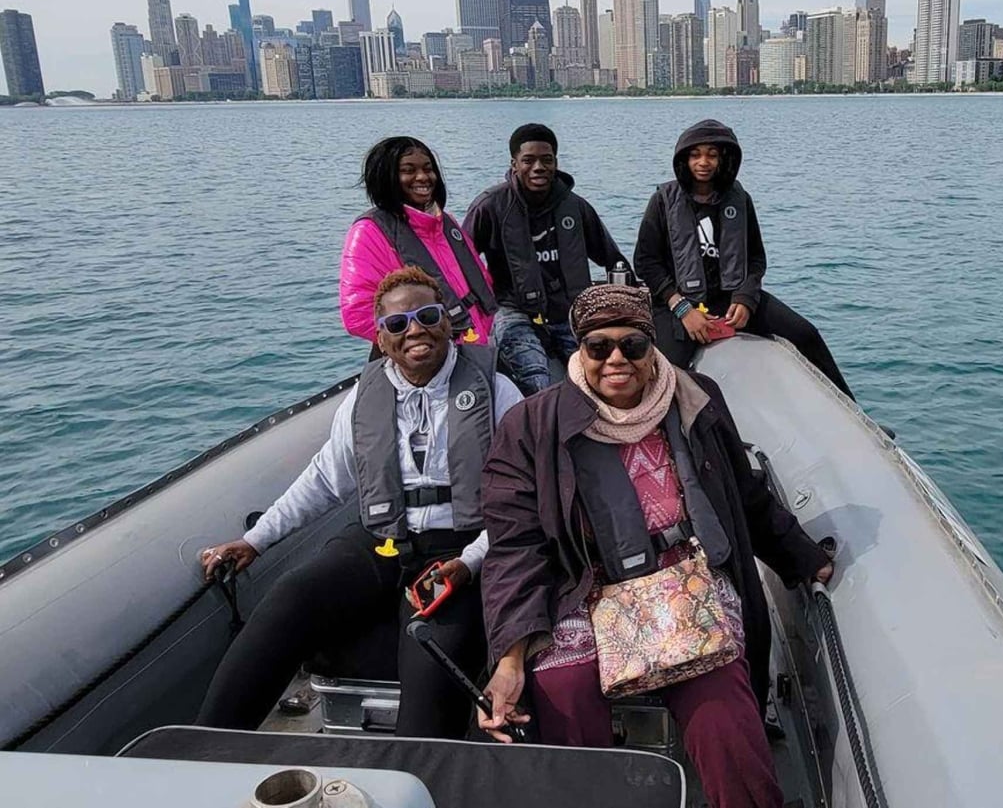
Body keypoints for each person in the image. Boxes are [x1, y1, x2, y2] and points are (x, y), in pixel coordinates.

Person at [477, 284, 833, 808]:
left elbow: (745, 494)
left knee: (725, 718)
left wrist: (805, 560)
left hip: (686, 577)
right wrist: (508, 658)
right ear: (580, 350)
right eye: (598, 347)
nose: (615, 359)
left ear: (652, 349)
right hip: (585, 588)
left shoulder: (695, 396)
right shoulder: (531, 425)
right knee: (563, 689)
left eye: (633, 346)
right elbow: (514, 549)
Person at [197, 267, 524, 738]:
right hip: (381, 541)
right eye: (397, 324)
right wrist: (256, 540)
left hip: (460, 552)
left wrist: (470, 562)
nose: (414, 330)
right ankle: (210, 746)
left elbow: (522, 500)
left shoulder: (497, 390)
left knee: (429, 668)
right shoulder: (363, 398)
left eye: (427, 315)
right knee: (290, 599)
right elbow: (326, 479)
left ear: (448, 321)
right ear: (382, 337)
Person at [633, 119, 856, 399]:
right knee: (663, 370)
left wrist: (745, 299)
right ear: (684, 159)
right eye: (695, 154)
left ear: (724, 158)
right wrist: (683, 310)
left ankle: (849, 405)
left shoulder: (739, 199)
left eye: (712, 155)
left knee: (807, 334)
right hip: (679, 303)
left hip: (732, 297)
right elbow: (646, 262)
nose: (704, 162)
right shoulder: (663, 201)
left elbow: (755, 259)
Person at [464, 123, 628, 395]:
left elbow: (613, 261)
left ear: (556, 162)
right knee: (535, 378)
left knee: (601, 371)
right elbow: (461, 262)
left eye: (546, 159)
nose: (538, 167)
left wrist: (622, 313)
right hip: (513, 310)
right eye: (528, 160)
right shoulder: (491, 206)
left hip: (570, 310)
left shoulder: (575, 207)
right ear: (514, 164)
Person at [341, 135, 497, 347]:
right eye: (408, 171)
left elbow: (483, 281)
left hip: (480, 344)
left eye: (428, 168)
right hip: (427, 357)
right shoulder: (369, 232)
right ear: (386, 177)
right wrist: (424, 344)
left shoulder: (446, 223)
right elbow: (358, 314)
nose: (423, 177)